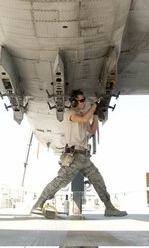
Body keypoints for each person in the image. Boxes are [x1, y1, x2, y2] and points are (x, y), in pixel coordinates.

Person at [30, 89, 127, 217]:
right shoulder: (69, 113)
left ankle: (109, 207)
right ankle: (38, 205)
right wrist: (94, 105)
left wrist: (96, 115)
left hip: (84, 157)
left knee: (98, 179)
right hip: (74, 156)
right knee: (60, 181)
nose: (83, 103)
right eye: (81, 100)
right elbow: (85, 118)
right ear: (74, 101)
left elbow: (92, 130)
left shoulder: (82, 116)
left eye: (83, 100)